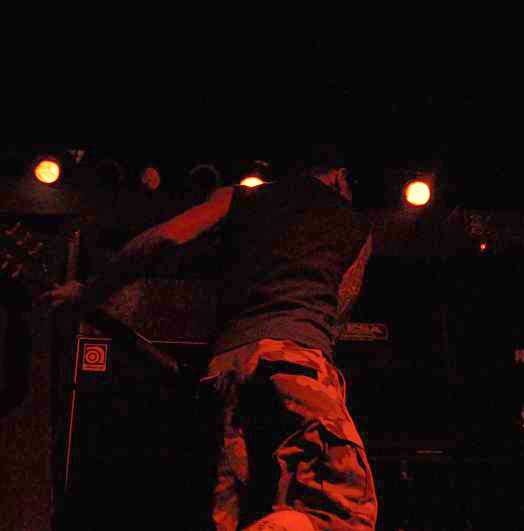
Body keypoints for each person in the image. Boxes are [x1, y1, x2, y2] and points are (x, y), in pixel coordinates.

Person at [41, 148, 378, 531]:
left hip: (223, 371)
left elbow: (162, 239)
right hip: (297, 358)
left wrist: (89, 293)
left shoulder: (236, 196)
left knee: (228, 517)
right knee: (343, 512)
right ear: (339, 176)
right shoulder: (354, 223)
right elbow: (340, 309)